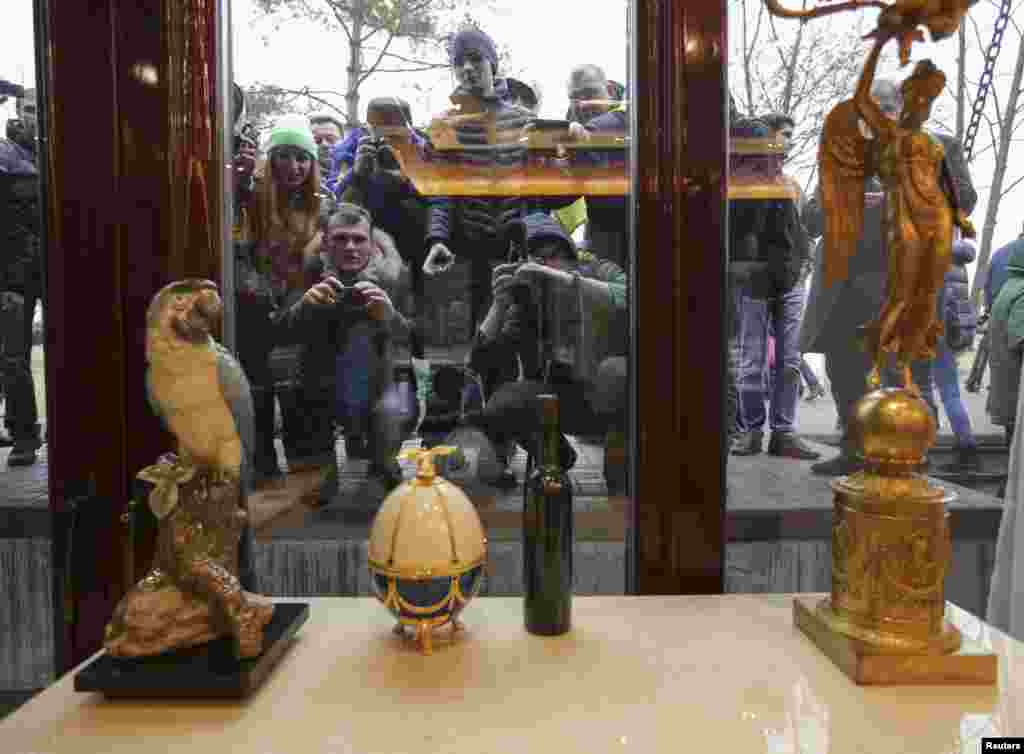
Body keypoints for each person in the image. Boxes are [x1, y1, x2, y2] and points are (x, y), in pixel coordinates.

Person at [463, 213, 627, 491]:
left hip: (613, 399)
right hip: (561, 400)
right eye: (535, 260)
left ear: (569, 254)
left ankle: (622, 466)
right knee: (505, 400)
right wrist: (499, 304)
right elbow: (480, 360)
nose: (544, 266)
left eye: (552, 255)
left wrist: (566, 282)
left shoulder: (598, 269)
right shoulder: (528, 298)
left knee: (616, 370)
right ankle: (553, 454)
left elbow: (632, 296)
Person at [273, 203, 409, 497]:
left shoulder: (391, 278)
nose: (350, 247)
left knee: (394, 407)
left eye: (359, 239)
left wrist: (390, 316)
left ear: (371, 244)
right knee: (316, 492)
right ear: (325, 242)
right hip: (318, 387)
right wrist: (304, 307)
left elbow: (417, 336)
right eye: (341, 238)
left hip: (377, 386)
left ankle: (381, 463)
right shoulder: (309, 273)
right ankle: (321, 466)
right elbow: (279, 332)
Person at [420, 27, 547, 330]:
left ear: (492, 63)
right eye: (459, 62)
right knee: (474, 338)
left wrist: (537, 241)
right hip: (468, 249)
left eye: (475, 59)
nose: (467, 68)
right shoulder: (445, 125)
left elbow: (537, 191)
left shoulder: (523, 121)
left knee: (524, 331)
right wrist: (437, 239)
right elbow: (442, 192)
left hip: (519, 246)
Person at [235, 114, 325, 481]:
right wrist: (259, 290)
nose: (294, 166)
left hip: (300, 307)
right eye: (285, 156)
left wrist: (301, 294)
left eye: (303, 158)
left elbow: (325, 257)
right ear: (271, 160)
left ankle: (304, 463)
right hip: (254, 307)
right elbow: (238, 252)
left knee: (297, 389)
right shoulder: (248, 198)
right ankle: (263, 464)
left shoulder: (321, 202)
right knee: (257, 388)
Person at [0, 87, 43, 466]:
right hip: (14, 274)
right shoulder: (4, 154)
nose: (34, 116)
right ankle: (24, 434)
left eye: (39, 109)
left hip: (58, 271)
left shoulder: (62, 149)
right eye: (28, 109)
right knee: (13, 357)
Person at [932, 238, 980, 472]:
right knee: (950, 392)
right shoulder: (958, 254)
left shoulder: (935, 252)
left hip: (937, 331)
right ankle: (965, 445)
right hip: (953, 331)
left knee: (943, 392)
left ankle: (966, 448)